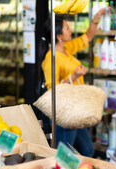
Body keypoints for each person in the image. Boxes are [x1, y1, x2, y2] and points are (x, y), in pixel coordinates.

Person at [39, 9, 106, 157]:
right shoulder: (51, 59)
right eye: (67, 28)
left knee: (87, 149)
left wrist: (96, 19)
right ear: (59, 36)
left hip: (75, 109)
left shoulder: (66, 49)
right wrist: (74, 76)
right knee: (64, 153)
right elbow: (53, 90)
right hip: (62, 112)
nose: (70, 29)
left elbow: (88, 37)